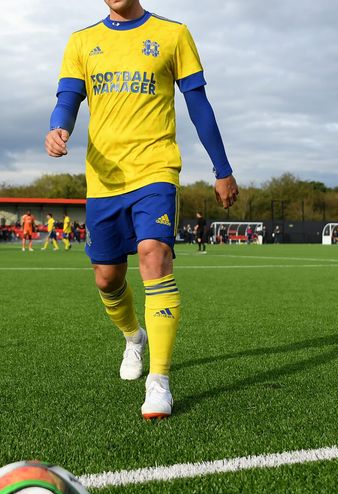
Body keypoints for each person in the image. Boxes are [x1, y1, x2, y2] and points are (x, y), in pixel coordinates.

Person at [46, 0, 238, 419]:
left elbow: (198, 104)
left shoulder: (174, 34)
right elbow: (68, 98)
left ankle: (159, 381)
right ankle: (134, 336)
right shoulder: (82, 41)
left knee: (155, 254)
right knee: (107, 277)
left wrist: (222, 169)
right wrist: (58, 128)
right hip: (104, 179)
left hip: (156, 169)